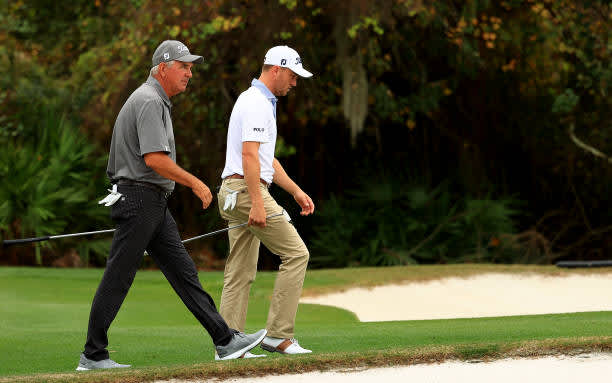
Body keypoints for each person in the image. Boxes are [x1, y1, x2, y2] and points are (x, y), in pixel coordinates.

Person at [76, 40, 266, 371]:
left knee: (184, 273)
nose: (190, 73)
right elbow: (154, 160)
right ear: (163, 68)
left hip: (150, 200)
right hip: (140, 198)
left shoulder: (154, 100)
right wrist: (194, 182)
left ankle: (224, 340)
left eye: (191, 67)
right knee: (118, 277)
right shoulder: (149, 101)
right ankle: (93, 354)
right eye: (184, 66)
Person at [217, 45, 314, 355]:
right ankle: (278, 335)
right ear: (276, 69)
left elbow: (266, 160)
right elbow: (249, 156)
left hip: (235, 191)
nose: (295, 82)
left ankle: (229, 342)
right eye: (292, 75)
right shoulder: (257, 102)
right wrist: (258, 203)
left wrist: (296, 191)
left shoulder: (256, 101)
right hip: (247, 192)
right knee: (297, 254)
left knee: (240, 270)